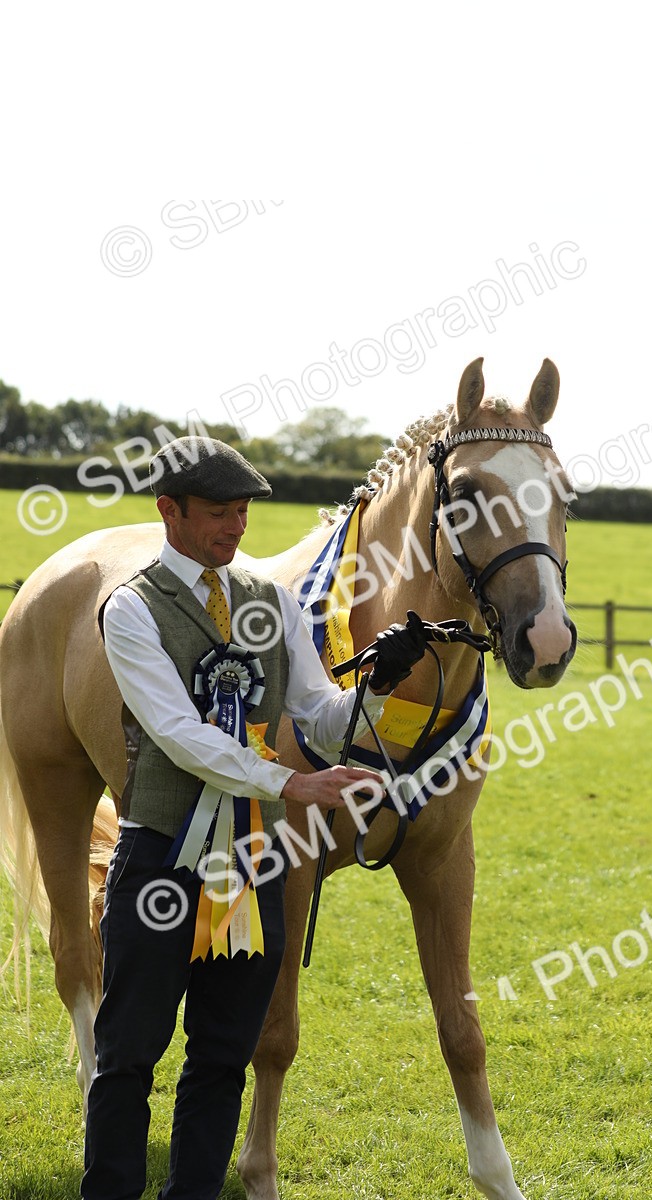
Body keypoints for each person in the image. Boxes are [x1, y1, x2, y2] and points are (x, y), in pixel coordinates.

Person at [81, 436, 424, 1200]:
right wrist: (287, 785)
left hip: (247, 864)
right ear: (168, 510)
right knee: (129, 1051)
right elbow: (178, 734)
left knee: (223, 1054)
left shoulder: (268, 603)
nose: (235, 529)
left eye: (242, 513)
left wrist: (377, 682)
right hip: (160, 858)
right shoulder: (132, 609)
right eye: (217, 513)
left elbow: (321, 717)